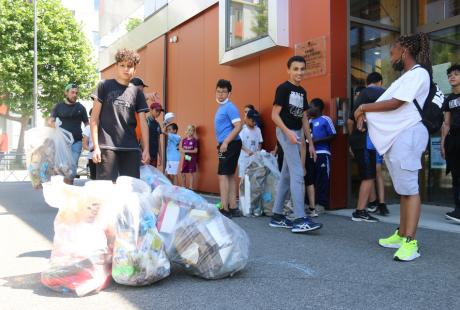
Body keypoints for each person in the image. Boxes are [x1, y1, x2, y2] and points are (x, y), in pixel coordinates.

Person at [354, 33, 432, 261]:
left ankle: (411, 242)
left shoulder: (419, 74)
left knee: (410, 190)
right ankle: (401, 234)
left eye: (392, 52)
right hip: (400, 136)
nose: (391, 57)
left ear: (404, 51)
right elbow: (389, 103)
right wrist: (364, 113)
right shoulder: (407, 76)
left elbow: (396, 103)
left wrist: (362, 108)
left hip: (408, 135)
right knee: (403, 190)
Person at [269, 55, 322, 233]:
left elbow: (304, 118)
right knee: (298, 173)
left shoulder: (302, 92)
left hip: (297, 133)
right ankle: (300, 219)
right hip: (286, 132)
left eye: (302, 69)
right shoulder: (283, 89)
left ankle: (277, 215)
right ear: (289, 70)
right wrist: (288, 132)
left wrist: (311, 143)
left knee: (286, 175)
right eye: (296, 69)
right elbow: (274, 115)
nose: (299, 72)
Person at [91, 48, 150, 182]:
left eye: (129, 66)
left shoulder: (137, 93)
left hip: (131, 148)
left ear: (134, 69)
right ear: (116, 66)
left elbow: (143, 122)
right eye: (122, 65)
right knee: (105, 190)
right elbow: (94, 119)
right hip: (107, 146)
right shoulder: (104, 86)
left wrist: (146, 149)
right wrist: (96, 147)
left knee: (131, 191)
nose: (126, 69)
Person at [348, 72, 386, 222]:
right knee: (368, 176)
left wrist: (352, 140)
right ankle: (360, 211)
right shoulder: (380, 92)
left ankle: (362, 209)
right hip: (366, 142)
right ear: (380, 82)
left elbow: (350, 121)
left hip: (360, 141)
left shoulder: (361, 95)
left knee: (368, 176)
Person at [214, 79, 243, 218]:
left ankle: (225, 209)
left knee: (223, 175)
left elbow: (239, 126)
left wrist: (225, 142)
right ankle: (233, 207)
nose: (220, 94)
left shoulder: (230, 107)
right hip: (229, 144)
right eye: (218, 91)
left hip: (229, 144)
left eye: (224, 92)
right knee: (229, 175)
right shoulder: (222, 108)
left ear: (229, 93)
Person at [48, 83, 89, 184]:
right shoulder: (58, 106)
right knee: (62, 167)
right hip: (62, 143)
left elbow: (87, 124)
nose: (75, 94)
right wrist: (54, 125)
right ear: (66, 93)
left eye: (76, 93)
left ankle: (69, 189)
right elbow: (50, 121)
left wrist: (86, 139)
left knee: (72, 167)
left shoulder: (81, 107)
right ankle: (61, 190)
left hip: (77, 142)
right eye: (72, 92)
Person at [305, 98, 336, 217]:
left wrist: (317, 141)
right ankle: (309, 204)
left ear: (317, 108)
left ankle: (321, 204)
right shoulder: (308, 121)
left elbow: (333, 135)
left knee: (322, 178)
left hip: (322, 153)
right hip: (310, 154)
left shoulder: (325, 119)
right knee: (310, 178)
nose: (309, 108)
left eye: (311, 106)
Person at [441, 64, 460, 223]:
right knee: (456, 176)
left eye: (456, 74)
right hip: (453, 140)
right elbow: (446, 123)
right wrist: (442, 143)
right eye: (449, 75)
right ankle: (458, 210)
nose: (452, 77)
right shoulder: (448, 100)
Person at [238, 109, 263, 178]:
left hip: (255, 159)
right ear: (247, 118)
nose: (255, 123)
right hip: (244, 159)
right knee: (244, 180)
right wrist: (247, 151)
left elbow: (260, 142)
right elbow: (239, 143)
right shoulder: (242, 129)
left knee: (253, 180)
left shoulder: (258, 130)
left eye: (256, 121)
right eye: (253, 120)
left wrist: (258, 150)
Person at [146, 93, 163, 168]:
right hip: (145, 153)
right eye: (156, 110)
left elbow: (158, 140)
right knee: (144, 174)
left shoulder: (157, 124)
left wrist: (160, 156)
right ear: (150, 110)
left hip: (154, 154)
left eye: (160, 111)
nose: (158, 113)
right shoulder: (146, 122)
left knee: (152, 175)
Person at [180, 124, 199, 190]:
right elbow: (182, 149)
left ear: (194, 132)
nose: (190, 131)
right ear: (186, 131)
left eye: (192, 130)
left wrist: (187, 150)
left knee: (191, 173)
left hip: (192, 159)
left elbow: (196, 150)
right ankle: (183, 186)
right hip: (186, 158)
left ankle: (191, 187)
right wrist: (183, 150)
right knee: (182, 172)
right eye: (189, 130)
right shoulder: (184, 140)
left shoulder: (194, 140)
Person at [82, 109, 96, 180]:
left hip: (105, 156)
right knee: (94, 179)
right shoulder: (88, 128)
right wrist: (93, 149)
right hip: (92, 157)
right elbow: (84, 145)